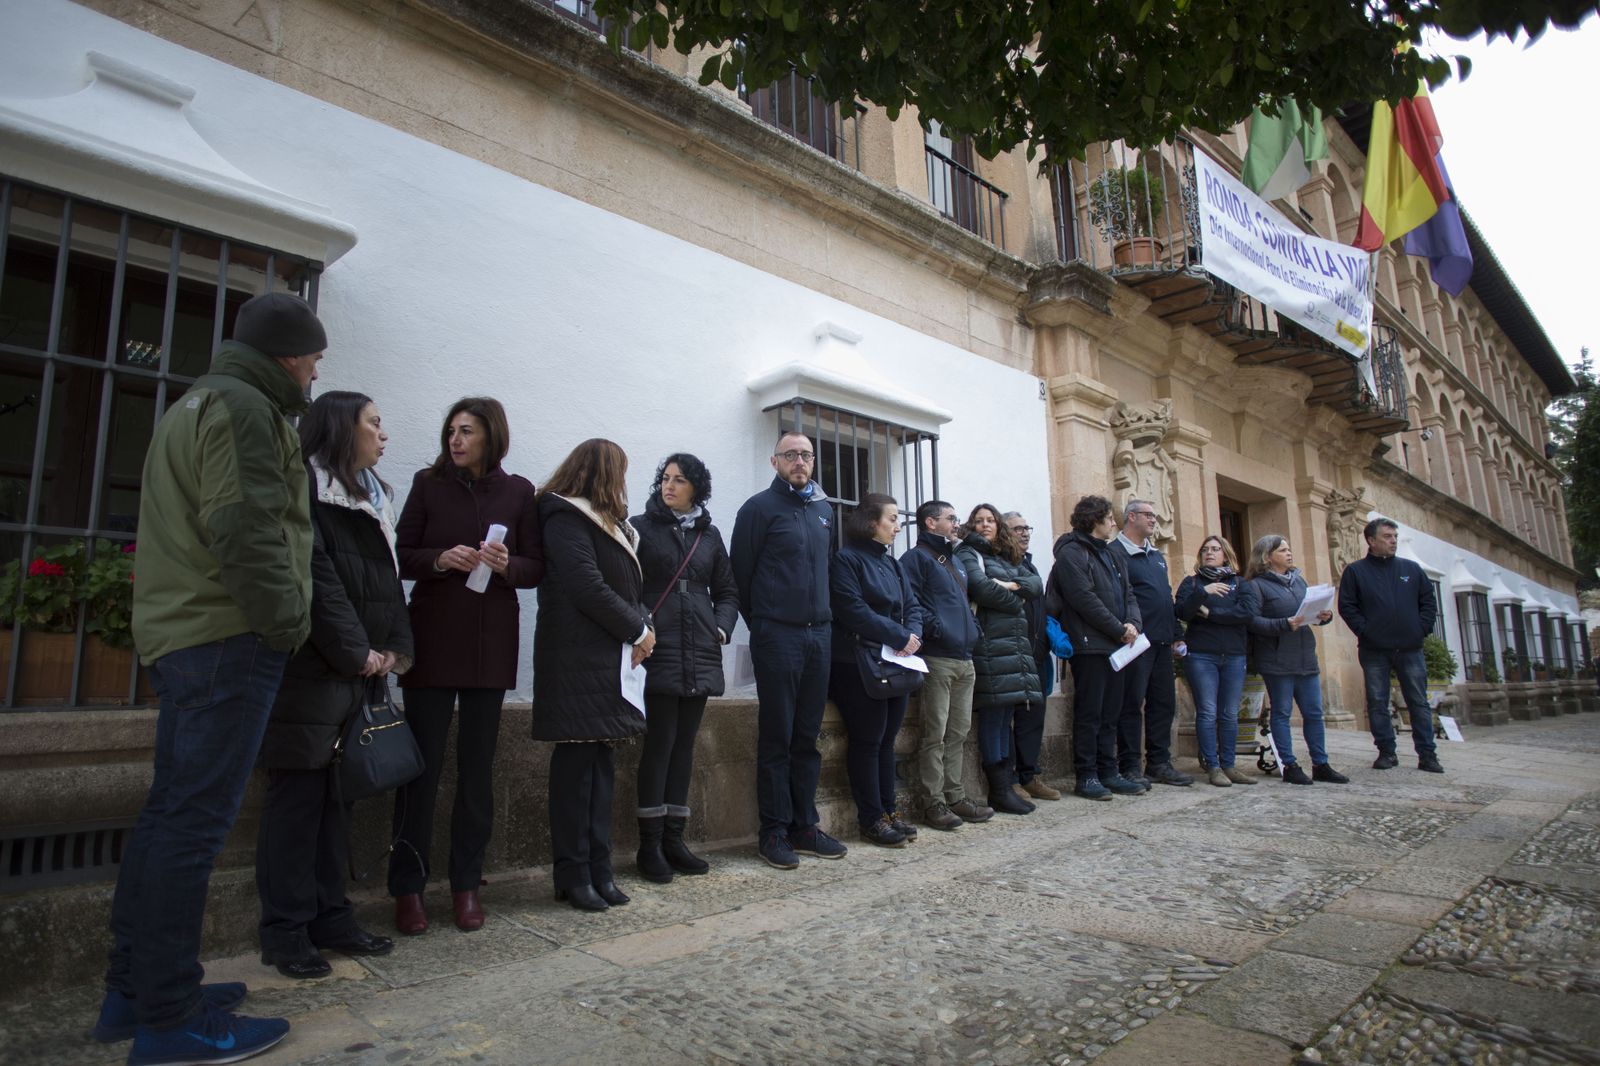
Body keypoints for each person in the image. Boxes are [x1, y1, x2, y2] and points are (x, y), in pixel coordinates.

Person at [95, 293, 325, 1063]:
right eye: (314, 358)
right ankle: (171, 1018)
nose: (317, 371)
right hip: (226, 637)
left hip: (189, 634)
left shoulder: (197, 402)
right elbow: (244, 526)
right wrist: (286, 620)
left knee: (170, 817)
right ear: (290, 356)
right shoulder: (246, 410)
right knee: (191, 826)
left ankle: (136, 989)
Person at [255, 392, 411, 978]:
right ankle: (285, 929)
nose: (383, 435)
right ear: (343, 428)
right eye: (374, 422)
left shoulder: (375, 498)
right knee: (296, 804)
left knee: (334, 803)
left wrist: (394, 652)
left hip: (360, 672)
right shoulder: (307, 491)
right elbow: (315, 580)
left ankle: (331, 914)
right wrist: (357, 652)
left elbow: (389, 586)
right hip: (313, 671)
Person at [390, 398, 544, 935]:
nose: (455, 440)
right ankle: (407, 889)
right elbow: (401, 552)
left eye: (467, 432)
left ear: (491, 437)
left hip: (489, 644)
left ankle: (465, 887)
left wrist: (507, 566)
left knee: (476, 774)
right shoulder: (427, 483)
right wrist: (439, 558)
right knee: (420, 770)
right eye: (451, 431)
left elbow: (535, 567)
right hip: (431, 639)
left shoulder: (519, 491)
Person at [534, 439, 654, 911]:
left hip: (605, 659)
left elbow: (631, 587)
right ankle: (572, 873)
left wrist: (646, 629)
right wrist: (638, 629)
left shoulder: (612, 524)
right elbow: (588, 587)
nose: (623, 481)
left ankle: (599, 869)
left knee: (601, 770)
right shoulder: (565, 516)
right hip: (576, 660)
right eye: (620, 471)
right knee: (575, 775)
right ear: (602, 471)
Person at [731, 431, 846, 869]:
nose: (799, 461)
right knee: (777, 736)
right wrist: (764, 624)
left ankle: (805, 826)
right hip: (777, 636)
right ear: (774, 461)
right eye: (790, 455)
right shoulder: (758, 509)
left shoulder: (822, 510)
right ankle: (773, 832)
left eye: (806, 455)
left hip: (820, 636)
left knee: (807, 737)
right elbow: (741, 577)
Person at [629, 453, 738, 882]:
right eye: (665, 479)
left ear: (697, 487)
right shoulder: (640, 527)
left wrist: (721, 629)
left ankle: (675, 840)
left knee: (684, 747)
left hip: (701, 650)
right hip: (658, 648)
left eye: (679, 480)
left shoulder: (709, 535)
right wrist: (641, 626)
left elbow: (728, 590)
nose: (669, 486)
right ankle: (649, 846)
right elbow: (627, 583)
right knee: (659, 746)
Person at [829, 493, 927, 846]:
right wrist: (900, 635)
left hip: (894, 660)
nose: (898, 525)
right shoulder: (845, 560)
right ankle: (871, 818)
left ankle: (890, 811)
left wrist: (912, 635)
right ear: (872, 522)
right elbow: (852, 610)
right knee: (867, 741)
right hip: (855, 662)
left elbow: (912, 604)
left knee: (887, 741)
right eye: (892, 519)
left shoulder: (894, 563)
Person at [901, 500, 992, 830]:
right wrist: (937, 628)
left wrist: (973, 630)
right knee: (934, 734)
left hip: (965, 659)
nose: (957, 523)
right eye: (950, 518)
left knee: (959, 733)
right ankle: (933, 802)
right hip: (937, 658)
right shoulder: (916, 559)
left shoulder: (956, 559)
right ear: (930, 523)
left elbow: (966, 605)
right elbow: (907, 602)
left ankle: (956, 796)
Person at [1049, 496, 1143, 801]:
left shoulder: (1113, 555)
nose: (1114, 523)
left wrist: (1133, 624)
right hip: (1090, 645)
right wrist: (1119, 629)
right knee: (1090, 713)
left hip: (1118, 645)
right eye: (1110, 519)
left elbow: (1129, 594)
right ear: (1093, 520)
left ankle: (1109, 771)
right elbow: (1084, 599)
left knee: (1111, 712)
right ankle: (1087, 775)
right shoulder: (1072, 554)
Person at [956, 502, 1044, 816]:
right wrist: (1015, 598)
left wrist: (1010, 586)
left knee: (1006, 717)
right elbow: (981, 589)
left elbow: (1035, 584)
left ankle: (1007, 786)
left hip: (1013, 647)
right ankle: (999, 790)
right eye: (978, 521)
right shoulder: (968, 553)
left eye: (990, 520)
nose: (984, 525)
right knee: (994, 719)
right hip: (991, 646)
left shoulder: (1007, 557)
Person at [1337, 517, 1443, 773]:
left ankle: (1427, 754)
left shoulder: (1411, 569)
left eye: (1394, 536)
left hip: (1410, 648)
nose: (1393, 540)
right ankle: (1386, 752)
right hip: (1374, 649)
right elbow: (1347, 607)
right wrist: (1366, 631)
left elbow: (1428, 603)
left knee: (1418, 701)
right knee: (1377, 701)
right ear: (1371, 541)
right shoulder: (1356, 571)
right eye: (1387, 536)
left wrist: (1420, 630)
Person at [1244, 535, 1348, 786]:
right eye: (1283, 550)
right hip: (1277, 658)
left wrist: (1324, 616)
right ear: (1267, 557)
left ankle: (1320, 763)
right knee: (1281, 713)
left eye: (1289, 549)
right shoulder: (1257, 586)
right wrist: (1283, 624)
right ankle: (1289, 765)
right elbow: (1251, 621)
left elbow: (1309, 613)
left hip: (1304, 656)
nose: (1289, 553)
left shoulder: (1299, 581)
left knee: (1314, 713)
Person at [1114, 500, 1192, 787]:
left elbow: (1165, 597)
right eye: (1148, 514)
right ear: (1130, 516)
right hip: (1134, 643)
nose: (1154, 520)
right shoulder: (1116, 553)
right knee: (1131, 704)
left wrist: (1176, 634)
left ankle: (1159, 763)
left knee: (1163, 704)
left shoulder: (1156, 556)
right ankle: (1130, 764)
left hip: (1161, 642)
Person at [1175, 536, 1261, 787]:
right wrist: (1203, 593)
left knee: (1229, 713)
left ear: (1226, 554)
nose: (1209, 553)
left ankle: (1229, 764)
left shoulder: (1240, 583)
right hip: (1202, 654)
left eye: (1215, 549)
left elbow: (1246, 613)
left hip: (1234, 655)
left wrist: (1211, 613)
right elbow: (1181, 612)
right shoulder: (1192, 583)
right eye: (1205, 550)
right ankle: (1212, 766)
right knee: (1208, 711)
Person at [1002, 511, 1060, 801]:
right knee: (1008, 719)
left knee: (1033, 716)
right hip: (1011, 654)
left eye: (1027, 528)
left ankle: (1031, 775)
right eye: (1017, 529)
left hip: (1036, 653)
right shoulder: (1002, 565)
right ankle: (1010, 779)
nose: (1024, 533)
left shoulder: (1030, 565)